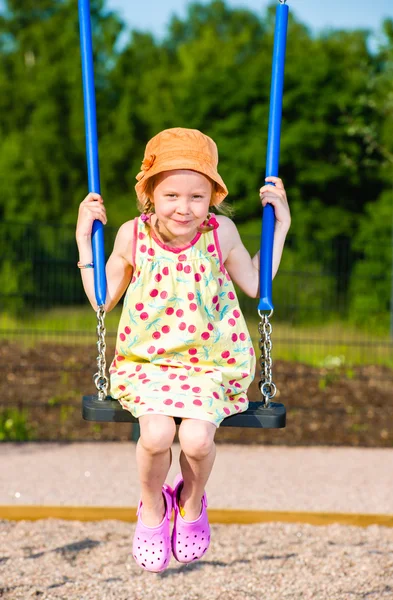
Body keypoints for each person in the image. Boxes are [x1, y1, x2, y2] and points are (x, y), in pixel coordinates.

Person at [76, 127, 291, 572]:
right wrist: (84, 238)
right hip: (147, 363)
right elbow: (102, 298)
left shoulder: (222, 233)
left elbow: (255, 283)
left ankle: (191, 504)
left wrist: (281, 226)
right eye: (171, 194)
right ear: (149, 194)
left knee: (196, 440)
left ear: (213, 196)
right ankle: (152, 508)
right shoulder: (132, 235)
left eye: (197, 196)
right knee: (155, 436)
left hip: (210, 365)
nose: (184, 207)